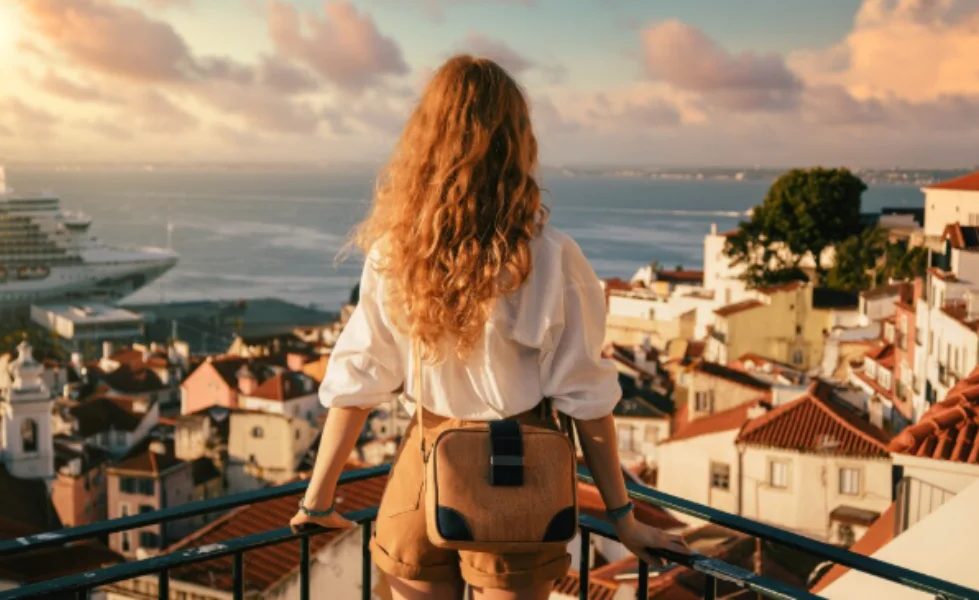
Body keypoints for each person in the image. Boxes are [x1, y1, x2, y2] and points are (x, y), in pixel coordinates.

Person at [289, 55, 690, 600]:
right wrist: (623, 518)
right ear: (517, 143)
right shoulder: (552, 259)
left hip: (424, 468)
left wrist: (317, 499)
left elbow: (358, 382)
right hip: (517, 479)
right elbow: (589, 404)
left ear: (425, 143)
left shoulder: (395, 255)